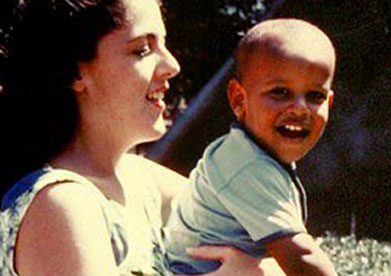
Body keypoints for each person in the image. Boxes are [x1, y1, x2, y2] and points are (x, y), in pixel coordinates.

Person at [0, 0, 279, 275]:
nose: (172, 64)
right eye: (143, 50)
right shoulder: (60, 204)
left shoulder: (137, 179)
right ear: (75, 71)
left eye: (164, 44)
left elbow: (268, 238)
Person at [163, 18, 338, 276]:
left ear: (329, 103)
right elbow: (302, 257)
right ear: (238, 99)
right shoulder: (246, 166)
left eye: (315, 96)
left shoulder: (254, 156)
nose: (300, 108)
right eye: (281, 92)